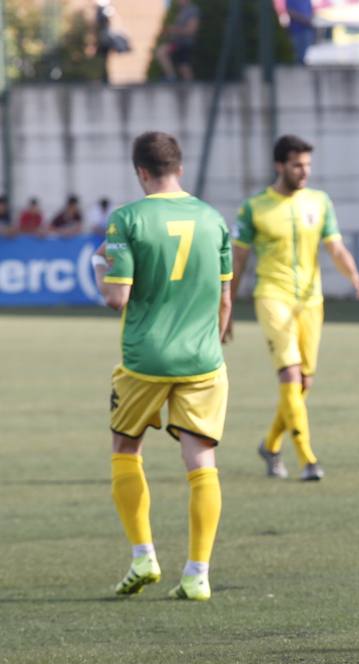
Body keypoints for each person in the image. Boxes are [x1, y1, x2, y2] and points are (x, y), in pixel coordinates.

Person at [96, 131, 233, 602]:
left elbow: (117, 296)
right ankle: (198, 572)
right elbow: (226, 299)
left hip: (145, 358)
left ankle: (143, 556)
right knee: (201, 460)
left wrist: (100, 266)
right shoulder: (213, 219)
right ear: (179, 166)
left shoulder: (127, 219)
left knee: (125, 448)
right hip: (203, 359)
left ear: (141, 172)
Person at [232, 135, 359, 482]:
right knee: (290, 375)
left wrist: (354, 276)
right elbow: (240, 258)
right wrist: (227, 304)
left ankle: (270, 444)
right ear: (280, 166)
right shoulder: (254, 207)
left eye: (307, 164)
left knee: (303, 382)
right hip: (271, 297)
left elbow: (335, 247)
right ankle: (308, 458)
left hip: (311, 301)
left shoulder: (319, 202)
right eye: (297, 165)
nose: (304, 171)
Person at [156, 0, 199, 82]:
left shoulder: (192, 10)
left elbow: (191, 30)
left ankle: (171, 76)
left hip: (183, 43)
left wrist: (174, 30)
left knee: (161, 52)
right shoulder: (183, 11)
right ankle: (189, 88)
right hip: (179, 42)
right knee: (184, 67)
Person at [286, 0, 316, 64]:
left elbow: (311, 10)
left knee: (308, 55)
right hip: (296, 30)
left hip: (308, 29)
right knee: (298, 54)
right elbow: (289, 11)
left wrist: (310, 19)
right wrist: (303, 19)